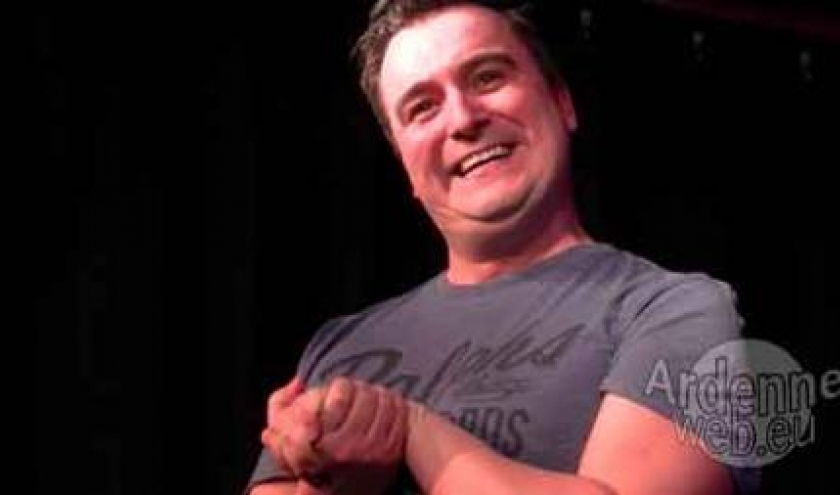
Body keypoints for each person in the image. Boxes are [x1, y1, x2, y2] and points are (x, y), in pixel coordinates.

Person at [248, 1, 760, 494]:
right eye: (423, 108)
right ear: (405, 165)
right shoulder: (342, 347)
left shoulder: (675, 310)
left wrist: (411, 431)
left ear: (562, 103)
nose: (463, 119)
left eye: (487, 78)